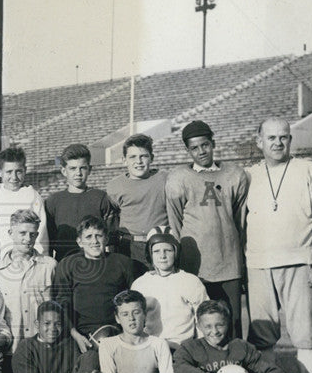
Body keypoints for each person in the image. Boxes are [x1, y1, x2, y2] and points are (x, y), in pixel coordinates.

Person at [244, 116, 312, 373]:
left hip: (299, 260)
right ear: (259, 141)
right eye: (271, 138)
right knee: (262, 334)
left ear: (290, 140)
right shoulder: (248, 175)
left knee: (305, 331)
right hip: (258, 263)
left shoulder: (309, 169)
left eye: (283, 137)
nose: (277, 143)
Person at [165, 120, 249, 337]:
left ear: (213, 143)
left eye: (205, 145)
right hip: (196, 265)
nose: (201, 151)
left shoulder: (235, 175)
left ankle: (234, 368)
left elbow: (239, 220)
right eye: (194, 148)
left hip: (228, 262)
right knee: (199, 323)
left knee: (231, 322)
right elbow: (175, 223)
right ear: (188, 150)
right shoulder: (178, 179)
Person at [51, 216, 134, 353]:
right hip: (81, 336)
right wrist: (74, 334)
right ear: (79, 242)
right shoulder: (67, 264)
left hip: (118, 334)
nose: (94, 241)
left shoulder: (123, 263)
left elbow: (133, 300)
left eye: (98, 236)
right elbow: (62, 303)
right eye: (88, 237)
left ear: (106, 239)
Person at [0, 209, 57, 352]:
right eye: (22, 233)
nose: (28, 239)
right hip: (12, 347)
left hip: (43, 346)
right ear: (10, 233)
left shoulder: (49, 266)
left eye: (33, 234)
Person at [130, 226, 209, 348]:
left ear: (176, 252)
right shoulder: (140, 284)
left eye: (168, 250)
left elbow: (203, 318)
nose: (162, 256)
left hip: (183, 348)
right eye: (156, 251)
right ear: (149, 254)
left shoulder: (191, 281)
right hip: (151, 347)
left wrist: (199, 348)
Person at [106, 134, 170, 277]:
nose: (139, 161)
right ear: (124, 160)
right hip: (129, 245)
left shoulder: (165, 179)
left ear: (151, 158)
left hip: (160, 244)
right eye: (133, 157)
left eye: (143, 156)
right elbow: (113, 218)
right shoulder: (114, 186)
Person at [44, 143, 118, 263]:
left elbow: (112, 238)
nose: (78, 173)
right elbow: (48, 241)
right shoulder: (53, 201)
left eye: (82, 168)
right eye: (72, 168)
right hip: (64, 263)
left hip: (96, 263)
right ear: (64, 171)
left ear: (89, 169)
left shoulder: (101, 198)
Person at [0, 146, 49, 262]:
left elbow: (41, 233)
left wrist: (40, 259)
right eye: (9, 172)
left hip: (27, 260)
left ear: (25, 170)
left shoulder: (32, 196)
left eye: (19, 172)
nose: (14, 177)